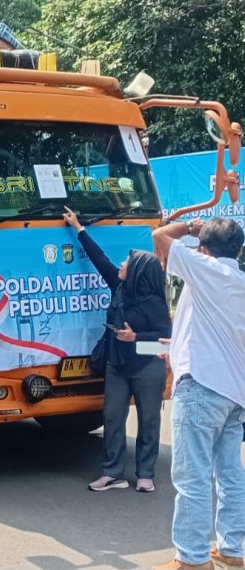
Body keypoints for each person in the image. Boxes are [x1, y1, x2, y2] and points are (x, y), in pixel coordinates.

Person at [152, 218, 245, 570]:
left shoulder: (203, 268)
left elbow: (159, 235)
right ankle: (231, 548)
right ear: (239, 250)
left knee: (192, 476)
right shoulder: (239, 282)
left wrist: (190, 226)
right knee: (230, 473)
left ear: (204, 249)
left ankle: (192, 558)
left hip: (201, 386)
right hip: (234, 393)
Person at [63, 207, 171, 492]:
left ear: (138, 273)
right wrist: (78, 227)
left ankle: (145, 473)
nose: (121, 264)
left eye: (127, 262)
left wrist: (136, 337)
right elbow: (99, 259)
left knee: (149, 421)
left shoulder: (155, 303)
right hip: (117, 366)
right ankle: (113, 473)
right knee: (112, 419)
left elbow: (165, 340)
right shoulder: (118, 287)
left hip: (147, 367)